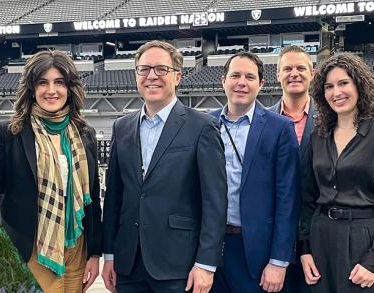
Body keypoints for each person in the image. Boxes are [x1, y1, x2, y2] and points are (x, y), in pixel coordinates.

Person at [101, 40, 227, 293]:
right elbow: (114, 196)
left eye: (161, 69)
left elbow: (215, 202)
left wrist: (206, 263)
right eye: (144, 69)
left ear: (178, 77)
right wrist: (110, 255)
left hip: (179, 264)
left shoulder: (202, 127)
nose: (151, 77)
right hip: (129, 264)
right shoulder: (122, 127)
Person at [0, 50, 102, 293]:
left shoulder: (85, 134)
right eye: (43, 82)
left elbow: (92, 201)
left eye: (59, 82)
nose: (51, 90)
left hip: (76, 249)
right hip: (32, 250)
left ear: (69, 88)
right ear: (32, 89)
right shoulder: (9, 133)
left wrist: (94, 253)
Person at [297, 53, 374, 292]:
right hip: (321, 237)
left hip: (364, 239)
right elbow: (308, 200)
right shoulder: (317, 137)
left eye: (344, 83)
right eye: (329, 86)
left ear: (358, 85)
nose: (337, 92)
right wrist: (304, 250)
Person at [208, 51, 299, 293]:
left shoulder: (279, 128)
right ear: (223, 80)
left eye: (249, 76)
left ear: (261, 84)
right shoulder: (205, 124)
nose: (241, 82)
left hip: (256, 252)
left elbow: (288, 199)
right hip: (210, 248)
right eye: (235, 75)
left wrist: (279, 261)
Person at [268, 44, 316, 293]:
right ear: (278, 75)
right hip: (274, 238)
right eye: (287, 68)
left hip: (317, 235)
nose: (294, 74)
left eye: (300, 68)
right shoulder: (263, 121)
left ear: (312, 73)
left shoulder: (330, 119)